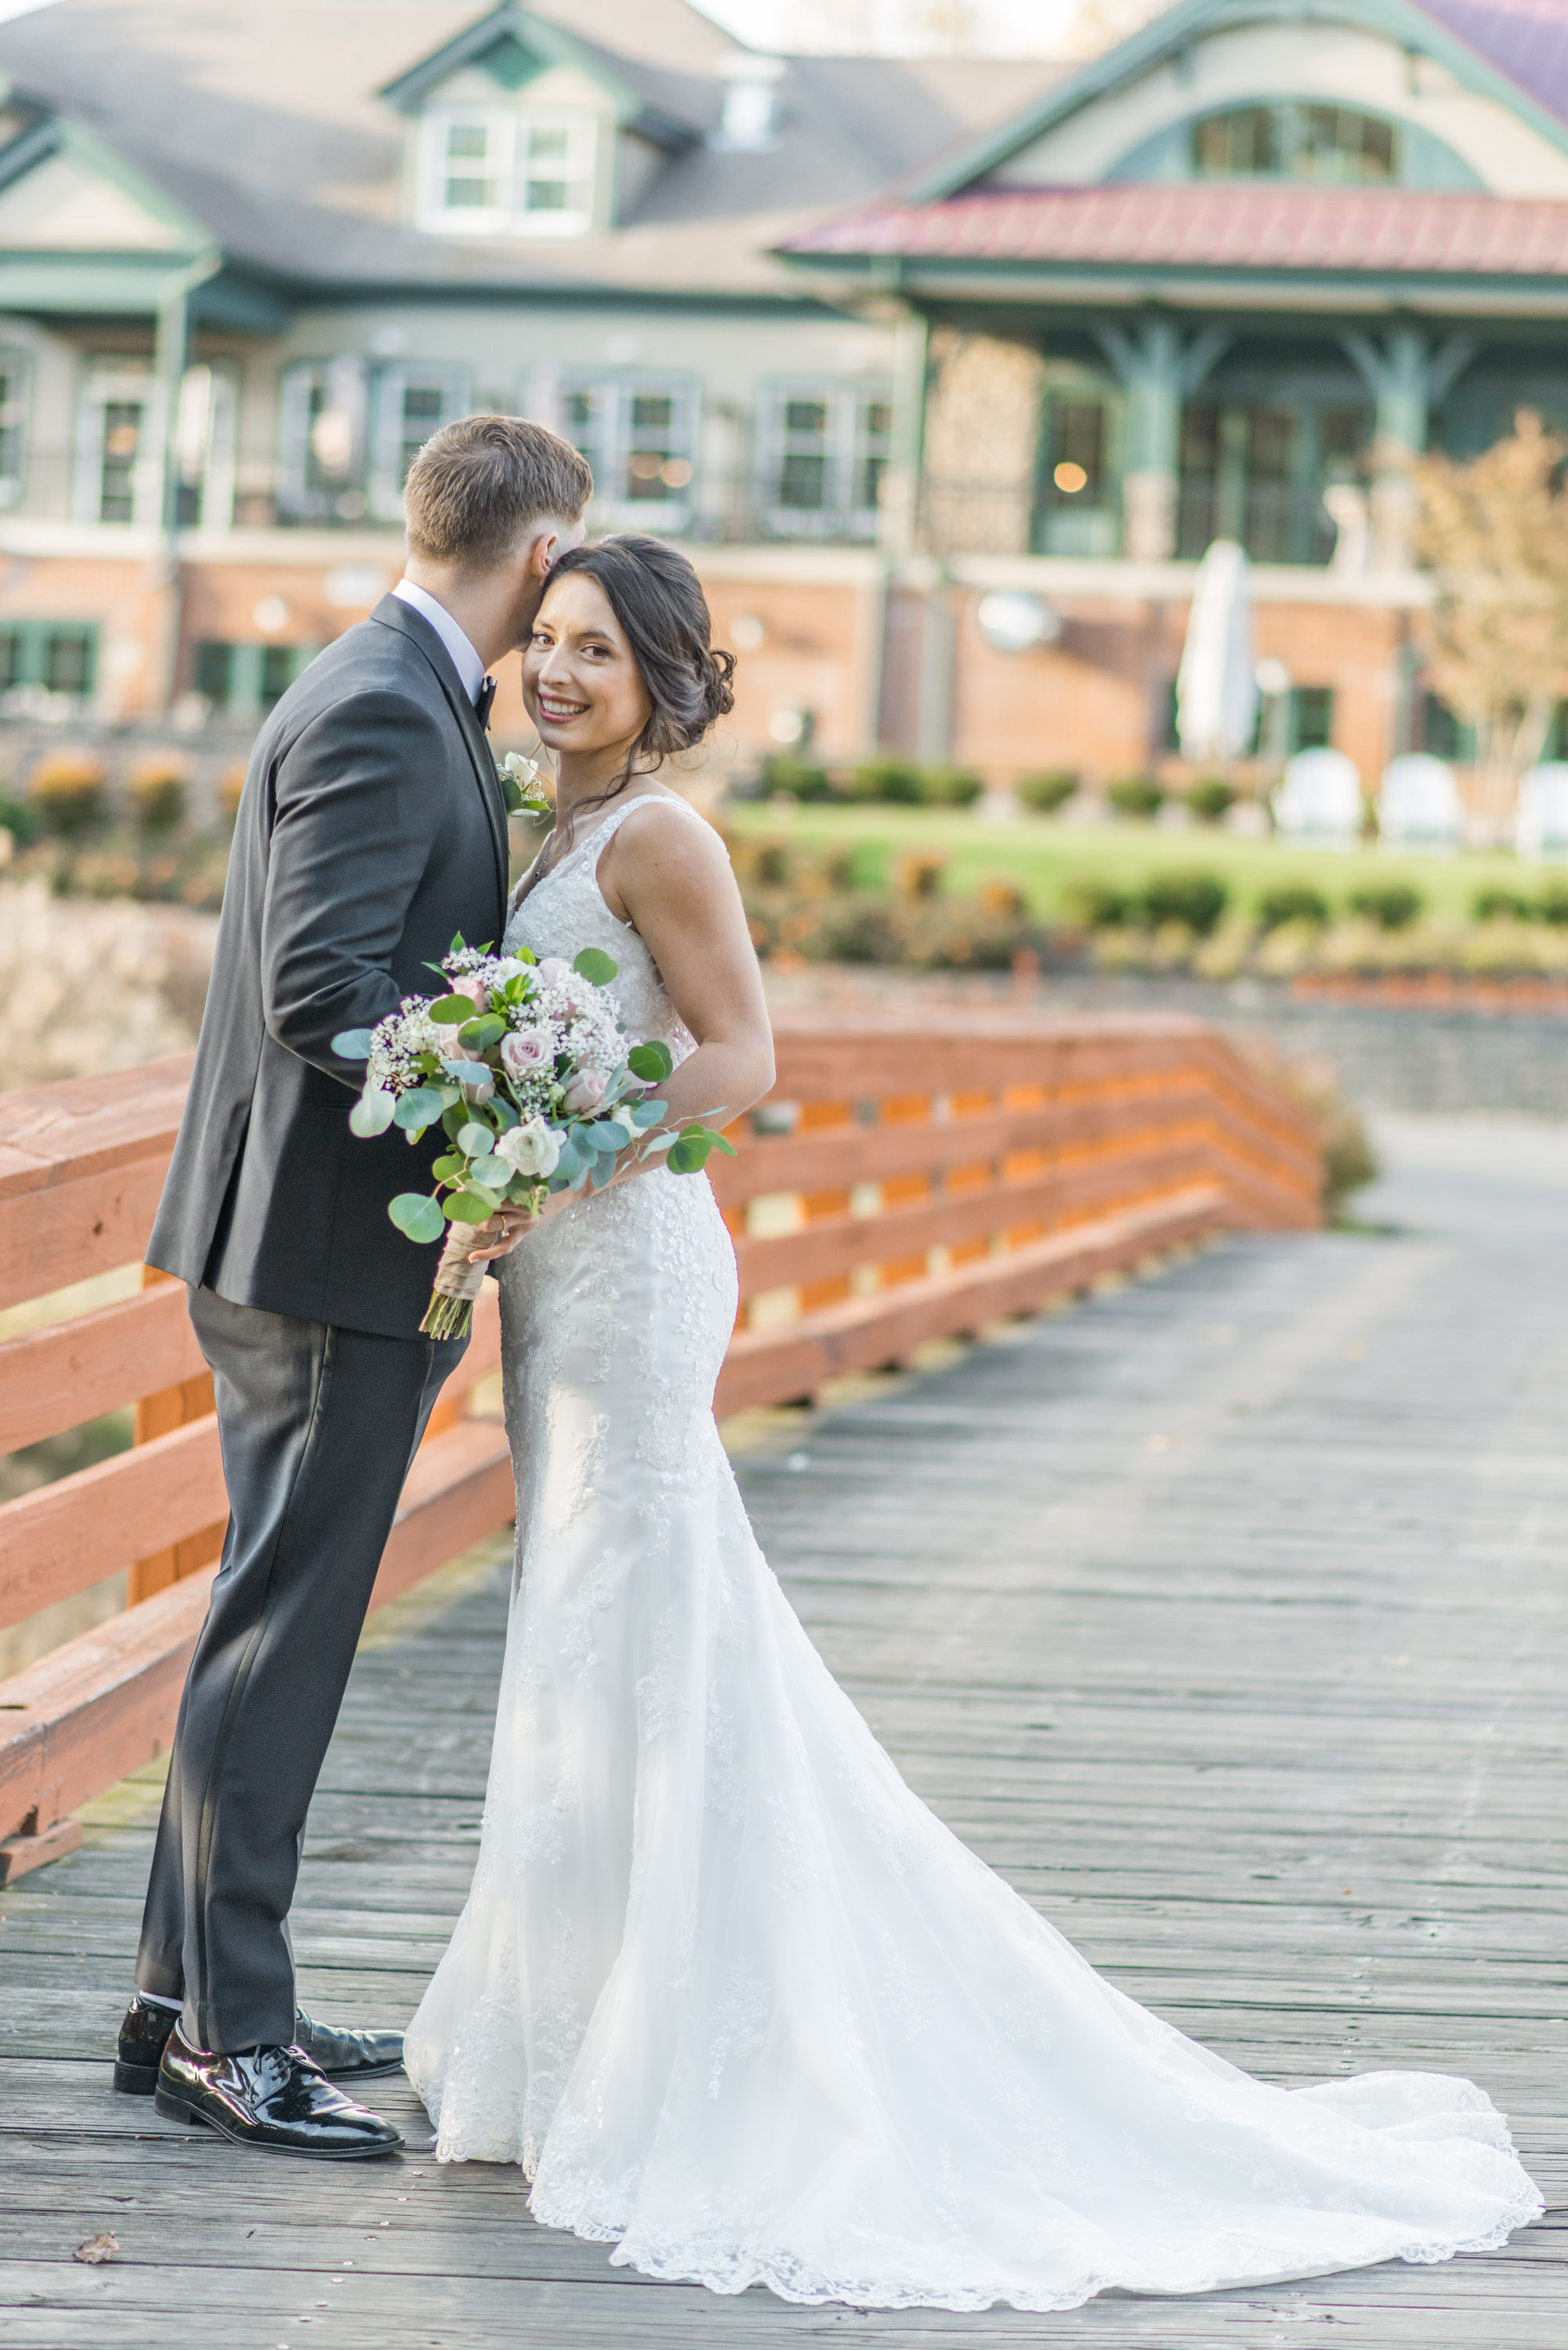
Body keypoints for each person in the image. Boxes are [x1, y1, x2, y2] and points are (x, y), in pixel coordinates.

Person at [405, 531, 1541, 2308]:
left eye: (596, 656)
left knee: (635, 1614)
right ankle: (559, 2029)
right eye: (543, 640)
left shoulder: (659, 837)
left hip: (625, 1265)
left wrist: (557, 1155)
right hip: (558, 1268)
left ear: (662, 686)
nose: (555, 672)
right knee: (585, 1622)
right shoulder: (543, 824)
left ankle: (662, 2048)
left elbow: (739, 1056)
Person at [113, 415, 590, 2159]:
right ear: (539, 555)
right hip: (322, 1253)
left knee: (268, 1618)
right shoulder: (391, 704)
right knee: (285, 1637)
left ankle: (187, 1989)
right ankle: (229, 2038)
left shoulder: (386, 679)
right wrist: (521, 1092)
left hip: (302, 1242)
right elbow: (328, 996)